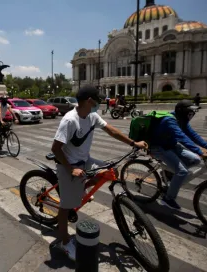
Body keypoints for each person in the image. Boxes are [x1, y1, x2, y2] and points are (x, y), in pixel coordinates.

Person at [51, 85, 148, 261]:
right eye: (98, 100)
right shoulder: (69, 120)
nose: (100, 103)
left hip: (85, 160)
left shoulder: (92, 115)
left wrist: (134, 143)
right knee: (66, 206)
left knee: (110, 171)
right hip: (68, 165)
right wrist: (71, 169)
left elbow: (111, 130)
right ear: (89, 101)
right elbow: (56, 149)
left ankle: (82, 189)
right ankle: (64, 243)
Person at [150, 100, 207, 210]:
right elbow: (182, 137)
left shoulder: (182, 120)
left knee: (196, 160)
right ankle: (168, 199)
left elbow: (192, 135)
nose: (191, 115)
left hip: (171, 145)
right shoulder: (169, 120)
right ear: (183, 112)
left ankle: (170, 173)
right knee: (182, 171)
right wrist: (200, 151)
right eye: (190, 112)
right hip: (158, 147)